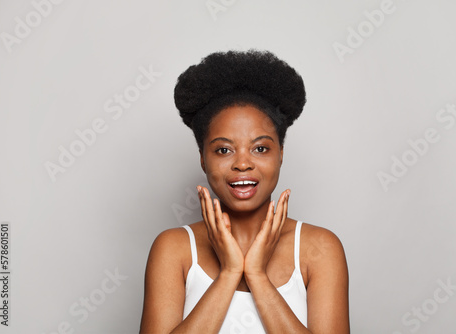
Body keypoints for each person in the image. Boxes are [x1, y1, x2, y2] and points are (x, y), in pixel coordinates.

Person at [140, 49, 349, 333]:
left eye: (260, 148)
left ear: (281, 154)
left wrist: (257, 276)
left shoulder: (320, 249)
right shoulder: (173, 249)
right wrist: (228, 273)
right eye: (224, 150)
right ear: (203, 158)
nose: (242, 163)